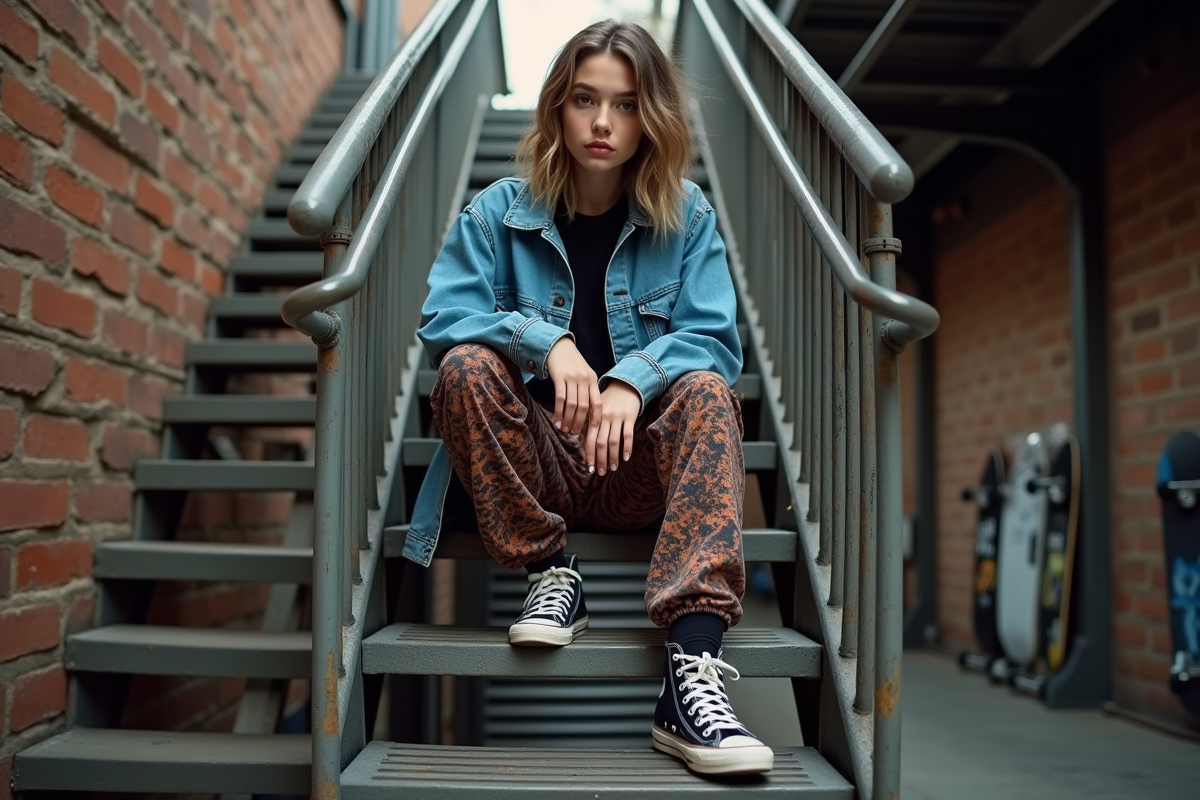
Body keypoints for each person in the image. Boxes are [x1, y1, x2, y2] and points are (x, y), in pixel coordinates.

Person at [411, 20, 772, 776]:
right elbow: (444, 320)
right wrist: (548, 343)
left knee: (706, 391)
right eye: (584, 99)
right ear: (557, 108)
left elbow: (714, 340)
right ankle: (551, 574)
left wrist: (632, 380)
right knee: (467, 368)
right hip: (535, 469)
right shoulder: (496, 212)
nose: (603, 123)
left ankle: (690, 676)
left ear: (652, 119)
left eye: (627, 104)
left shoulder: (688, 217)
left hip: (635, 471)